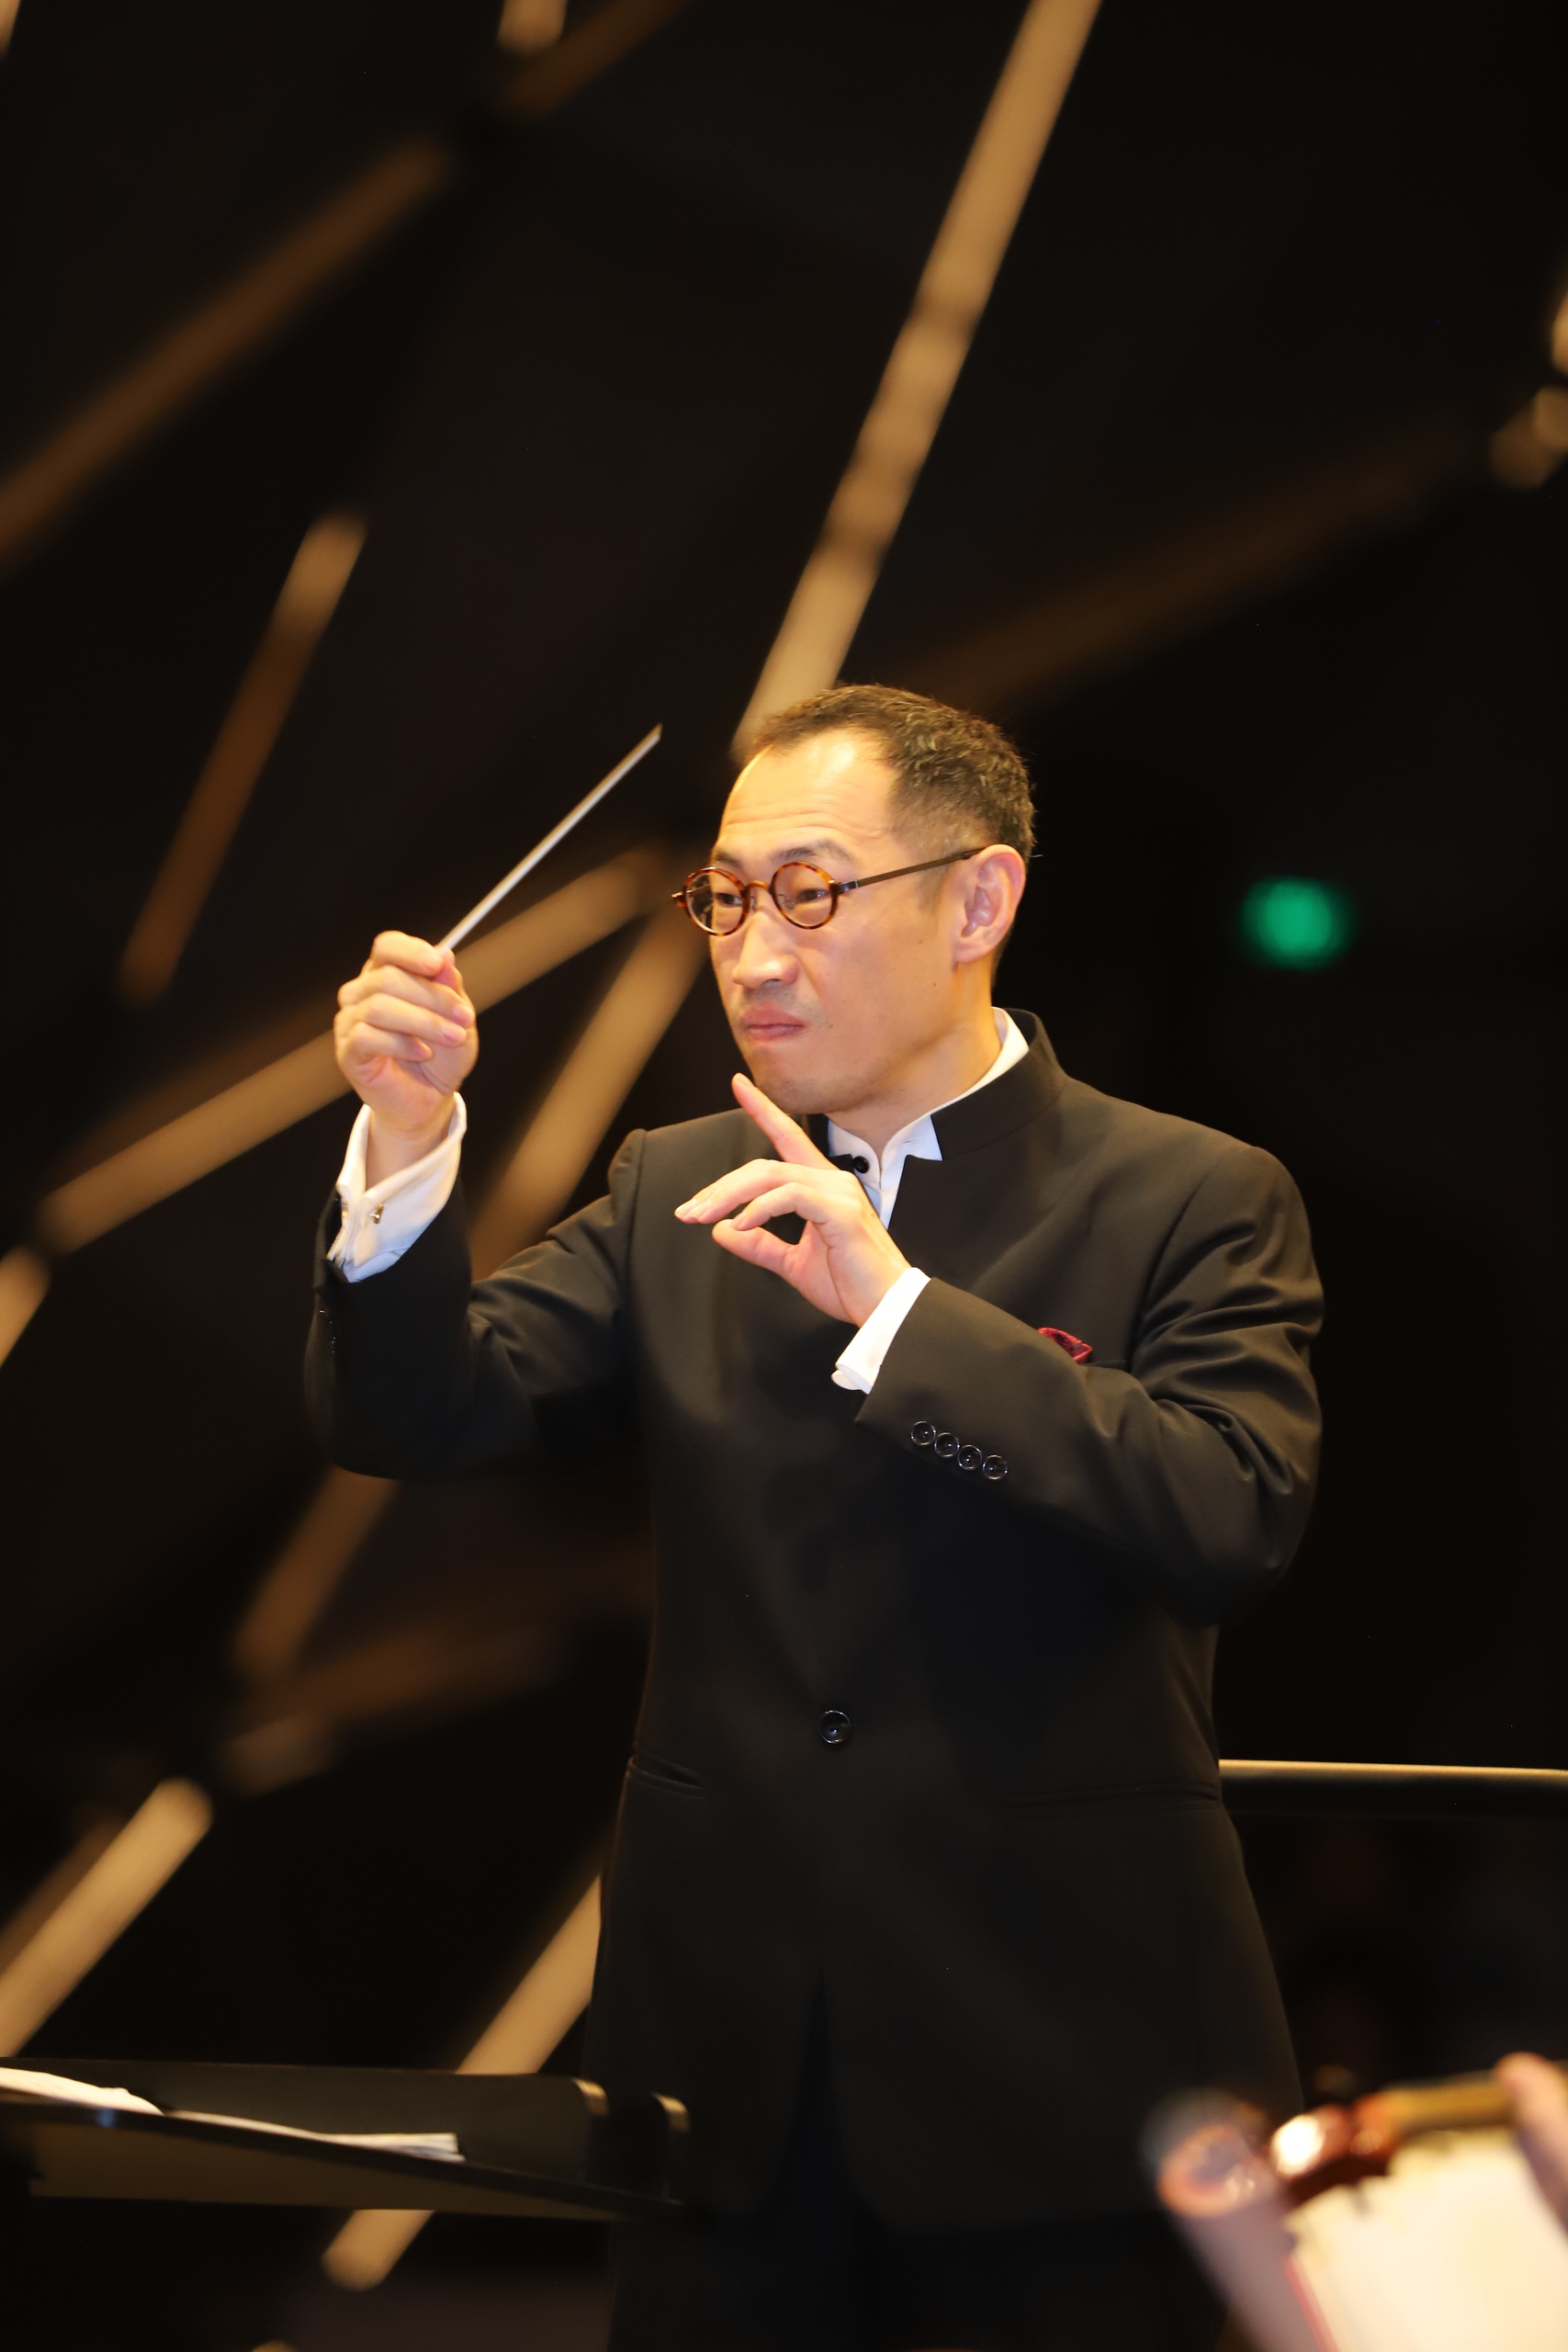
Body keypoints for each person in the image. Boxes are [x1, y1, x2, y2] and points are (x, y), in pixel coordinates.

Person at [310, 684, 1323, 2350]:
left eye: (808, 894)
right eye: (725, 898)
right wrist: (407, 1147)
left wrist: (904, 1315)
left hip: (1064, 2072)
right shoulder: (674, 1180)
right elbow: (413, 1411)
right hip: (728, 2082)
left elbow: (1230, 1511)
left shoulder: (1187, 1195)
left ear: (979, 902)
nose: (753, 952)